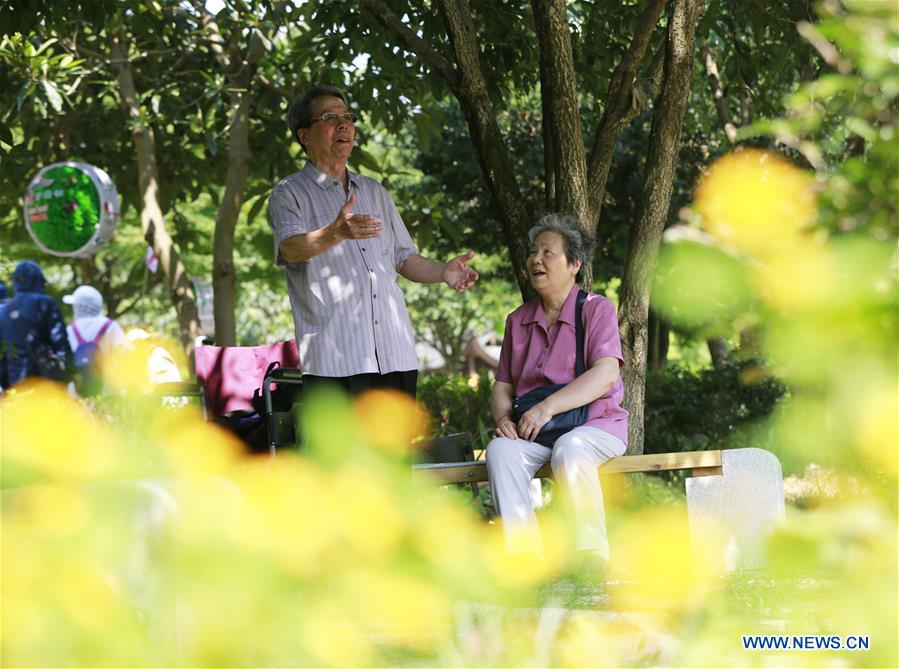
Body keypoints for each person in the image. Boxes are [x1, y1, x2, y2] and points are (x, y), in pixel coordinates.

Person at [268, 84, 478, 398]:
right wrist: (335, 233)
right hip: (336, 361)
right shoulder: (289, 193)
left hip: (395, 354)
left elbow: (405, 258)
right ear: (304, 135)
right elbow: (290, 249)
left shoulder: (374, 191)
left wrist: (442, 272)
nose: (344, 125)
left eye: (348, 117)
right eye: (329, 117)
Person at [487, 214, 628, 561]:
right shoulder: (517, 320)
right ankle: (525, 562)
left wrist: (547, 407)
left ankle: (592, 560)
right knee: (501, 452)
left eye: (547, 252)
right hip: (536, 434)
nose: (536, 259)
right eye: (533, 252)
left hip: (596, 427)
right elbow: (502, 386)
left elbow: (606, 373)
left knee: (572, 447)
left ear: (574, 264)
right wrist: (504, 418)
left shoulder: (596, 310)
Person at [0, 260, 70, 389]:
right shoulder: (45, 303)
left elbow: (3, 354)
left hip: (17, 383)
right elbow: (61, 343)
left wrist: (6, 384)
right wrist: (69, 375)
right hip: (47, 380)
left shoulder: (5, 311)